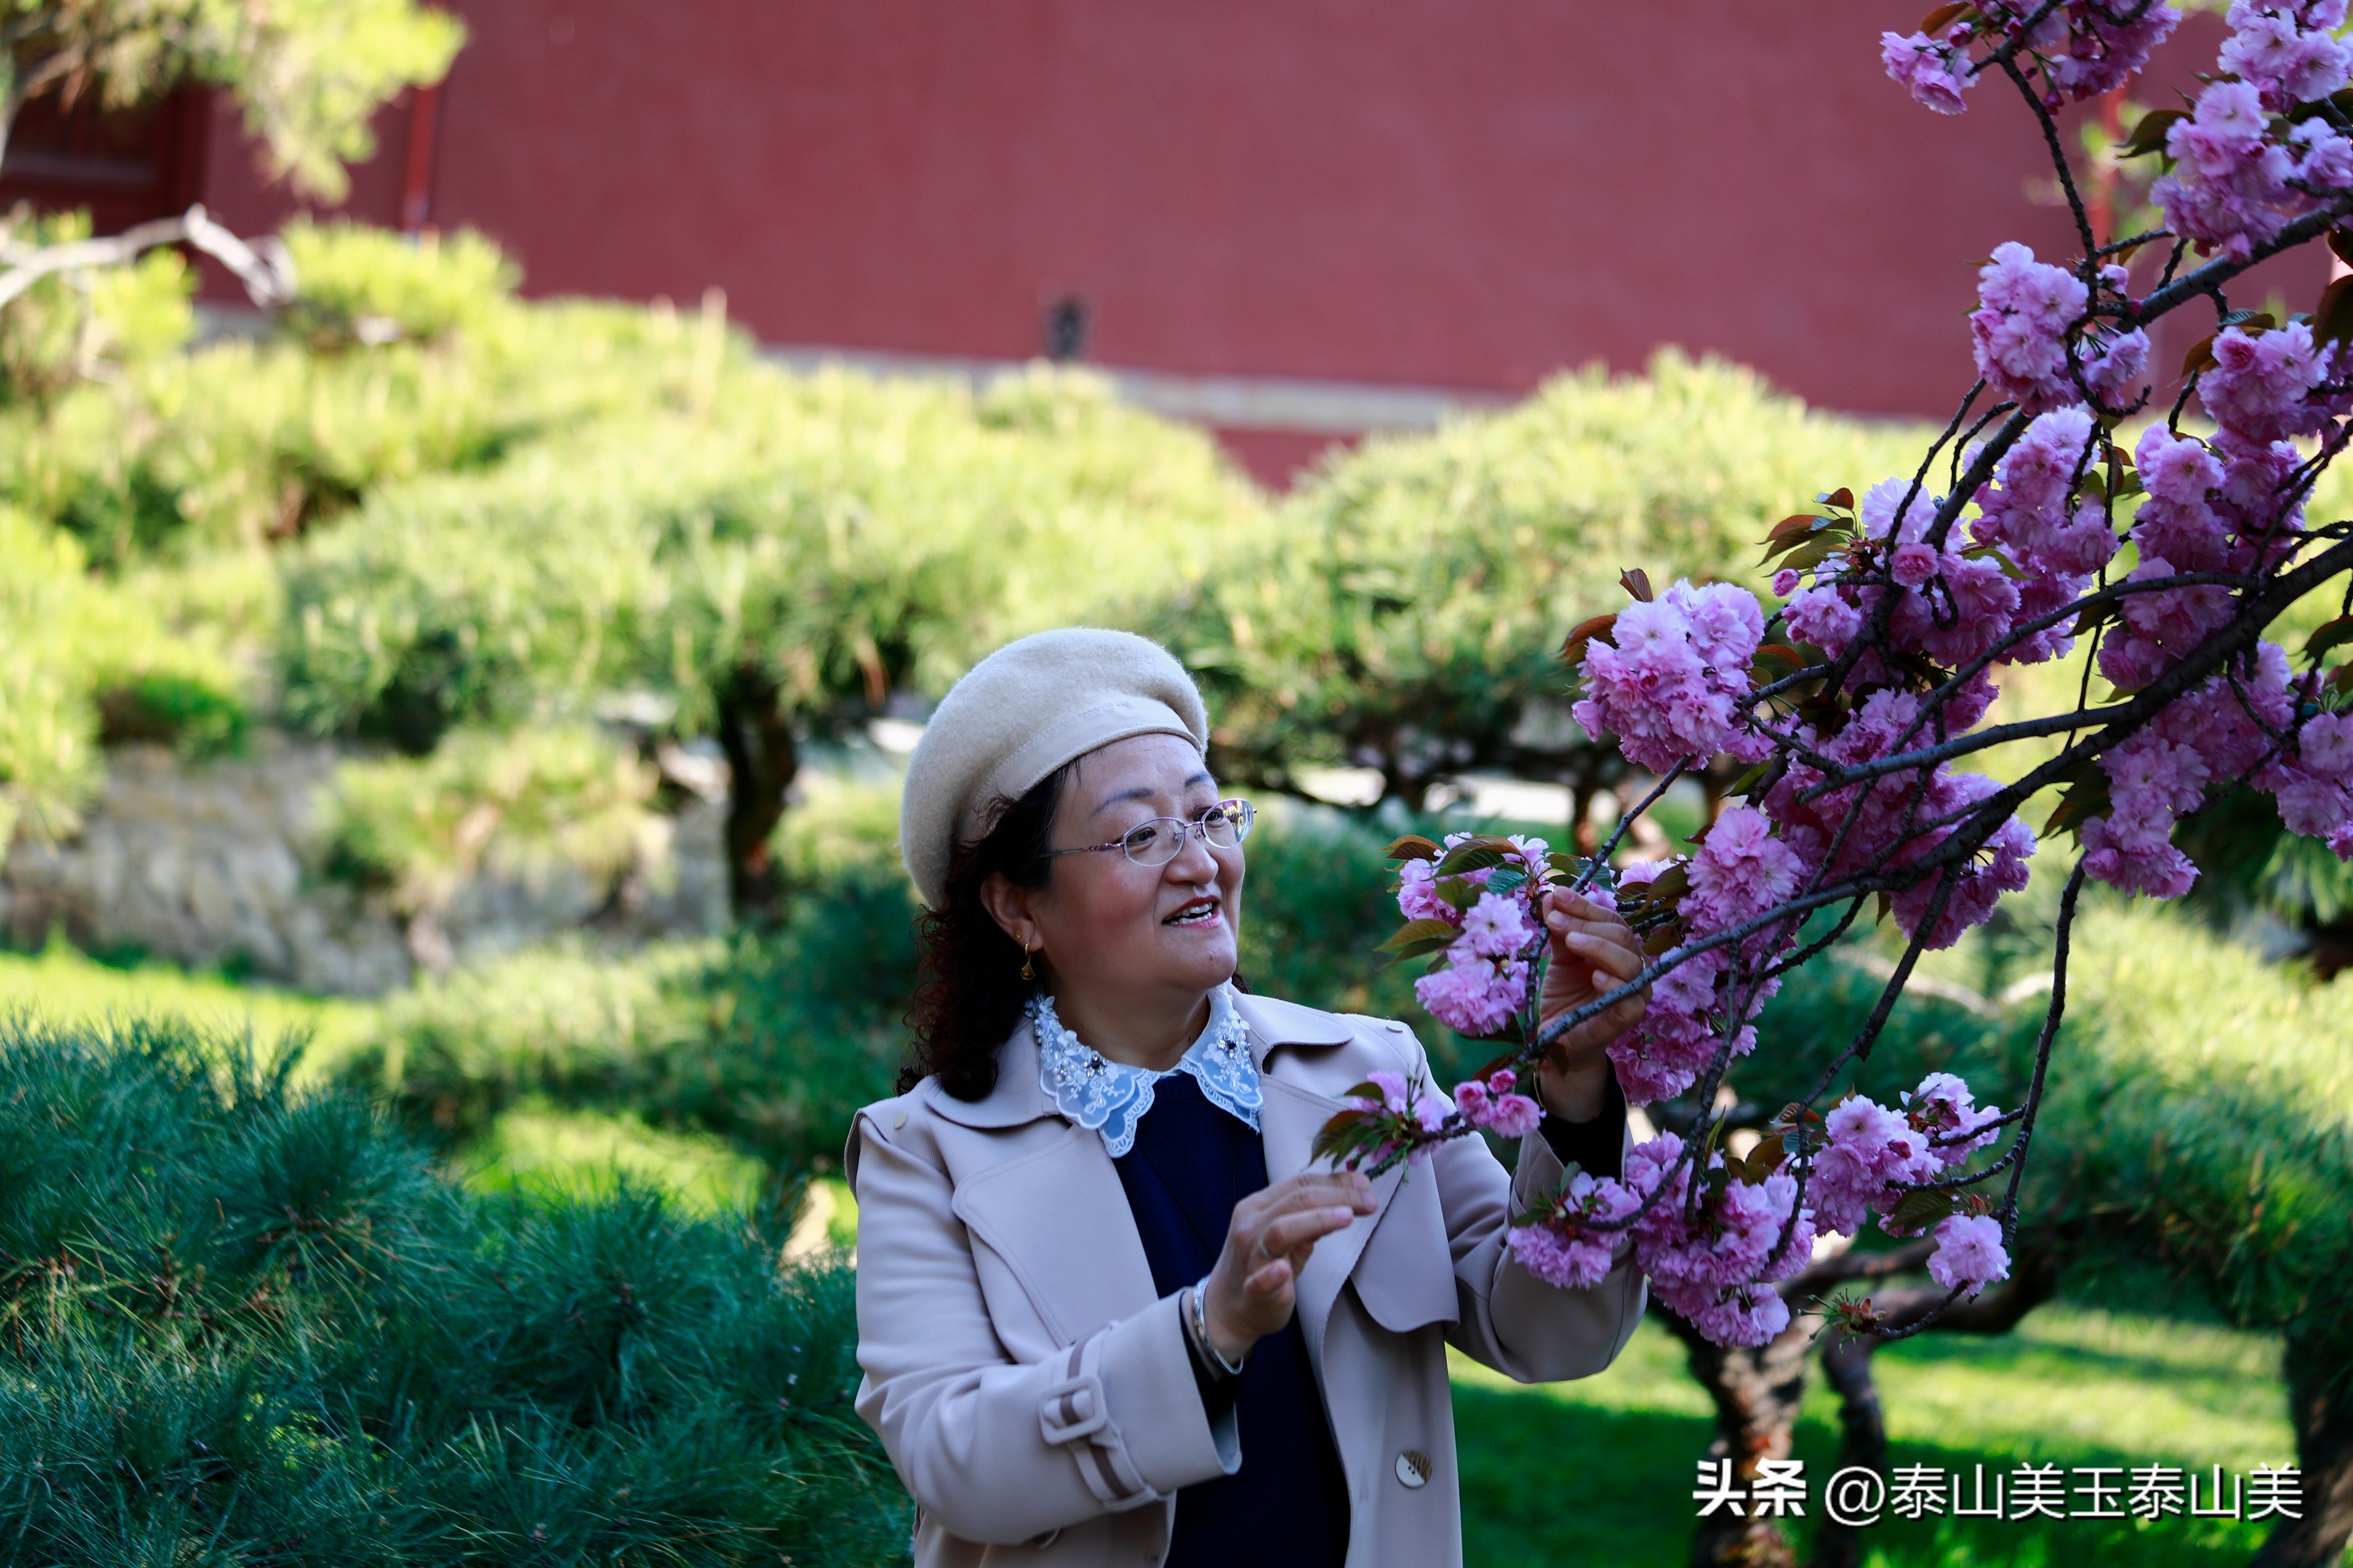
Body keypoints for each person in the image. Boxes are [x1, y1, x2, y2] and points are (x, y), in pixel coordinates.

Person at [849, 628, 1652, 1568]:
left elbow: (1551, 1332)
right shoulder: (930, 1149)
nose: (1199, 863)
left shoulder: (1366, 1069)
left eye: (1208, 817)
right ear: (1016, 907)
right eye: (1140, 834)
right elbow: (957, 1463)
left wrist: (1577, 1097)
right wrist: (1208, 1330)